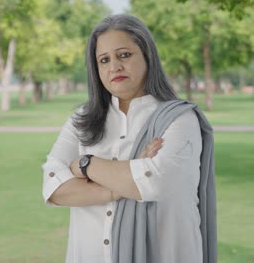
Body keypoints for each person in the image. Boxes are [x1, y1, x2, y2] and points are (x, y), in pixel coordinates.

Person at [42, 14, 216, 263]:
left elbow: (155, 183)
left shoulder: (179, 119)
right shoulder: (81, 120)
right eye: (104, 60)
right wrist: (123, 185)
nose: (114, 66)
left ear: (147, 55)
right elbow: (54, 189)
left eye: (124, 55)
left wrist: (85, 164)